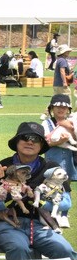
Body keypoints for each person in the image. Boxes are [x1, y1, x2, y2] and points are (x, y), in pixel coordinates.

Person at [0, 122, 77, 260]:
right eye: (25, 137)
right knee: (19, 247)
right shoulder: (2, 168)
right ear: (17, 142)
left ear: (41, 145)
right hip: (7, 224)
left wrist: (42, 203)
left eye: (36, 139)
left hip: (42, 225)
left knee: (64, 249)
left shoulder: (52, 168)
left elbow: (66, 202)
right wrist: (9, 200)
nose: (30, 141)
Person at [42, 93, 77, 228]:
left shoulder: (72, 122)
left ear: (68, 109)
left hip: (68, 160)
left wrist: (71, 130)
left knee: (66, 186)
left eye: (64, 107)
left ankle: (64, 215)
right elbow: (44, 143)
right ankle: (52, 213)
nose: (61, 109)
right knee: (51, 187)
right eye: (57, 106)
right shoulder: (46, 123)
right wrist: (59, 142)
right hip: (52, 161)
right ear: (52, 108)